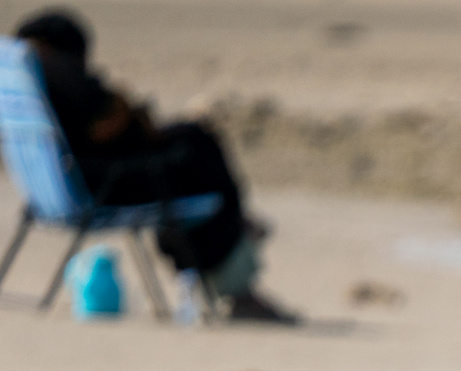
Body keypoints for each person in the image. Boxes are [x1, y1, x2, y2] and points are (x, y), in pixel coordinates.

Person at [14, 8, 297, 322]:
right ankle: (238, 275)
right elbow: (109, 132)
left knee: (193, 147)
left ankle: (235, 228)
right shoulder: (64, 80)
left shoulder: (28, 86)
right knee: (199, 160)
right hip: (106, 185)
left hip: (70, 186)